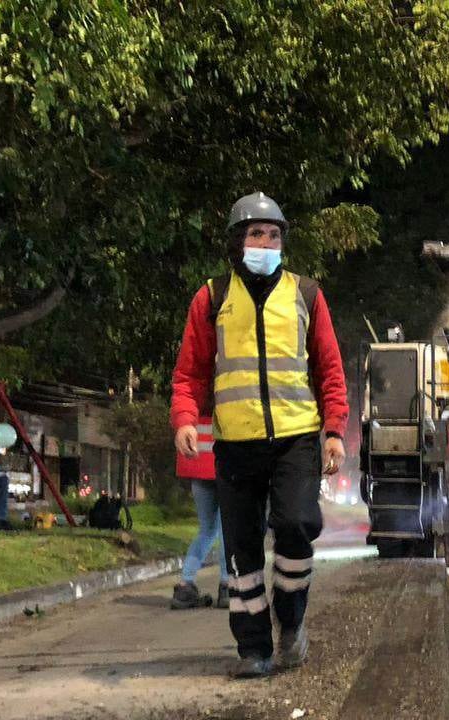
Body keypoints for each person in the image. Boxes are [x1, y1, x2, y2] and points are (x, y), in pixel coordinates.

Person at [170, 191, 348, 678]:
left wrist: (334, 431)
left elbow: (330, 370)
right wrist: (185, 418)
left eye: (273, 235)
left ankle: (291, 622)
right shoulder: (212, 298)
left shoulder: (306, 294)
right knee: (241, 551)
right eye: (255, 234)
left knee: (296, 526)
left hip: (295, 439)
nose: (265, 243)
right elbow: (190, 373)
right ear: (237, 243)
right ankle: (253, 649)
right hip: (235, 444)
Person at [170, 416, 228, 610]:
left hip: (198, 467)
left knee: (207, 530)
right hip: (226, 468)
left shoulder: (193, 397)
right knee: (227, 530)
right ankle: (227, 586)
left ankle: (185, 585)